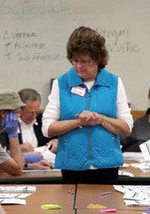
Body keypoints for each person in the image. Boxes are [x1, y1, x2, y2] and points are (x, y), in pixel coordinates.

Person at [42, 26, 133, 184]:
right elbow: (47, 128)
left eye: (84, 61)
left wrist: (101, 119)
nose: (78, 66)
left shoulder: (114, 83)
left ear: (98, 59)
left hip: (107, 165)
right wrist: (78, 122)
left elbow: (127, 128)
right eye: (75, 61)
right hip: (71, 166)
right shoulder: (61, 83)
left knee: (107, 208)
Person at [17, 88, 57, 153]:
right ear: (19, 109)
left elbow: (55, 135)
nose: (34, 116)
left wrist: (55, 140)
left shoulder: (42, 119)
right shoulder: (10, 124)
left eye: (36, 112)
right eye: (30, 112)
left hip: (43, 160)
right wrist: (18, 148)